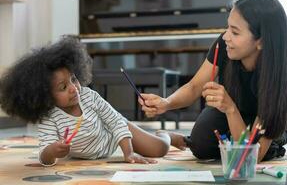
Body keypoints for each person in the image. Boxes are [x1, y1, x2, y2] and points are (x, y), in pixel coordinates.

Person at [139, 0, 287, 162]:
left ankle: (270, 147)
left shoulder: (272, 79)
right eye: (228, 27)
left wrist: (230, 109)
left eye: (235, 32)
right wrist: (167, 103)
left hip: (269, 113)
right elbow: (194, 86)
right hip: (234, 105)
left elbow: (250, 156)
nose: (225, 36)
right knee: (201, 145)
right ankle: (184, 139)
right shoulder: (225, 45)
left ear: (261, 41)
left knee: (255, 150)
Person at [0, 36, 171, 166]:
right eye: (63, 87)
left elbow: (115, 121)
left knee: (159, 149)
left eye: (74, 80)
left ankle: (166, 135)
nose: (74, 88)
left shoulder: (89, 96)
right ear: (45, 95)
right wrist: (53, 150)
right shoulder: (49, 117)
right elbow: (45, 157)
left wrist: (128, 153)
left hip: (113, 132)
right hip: (97, 144)